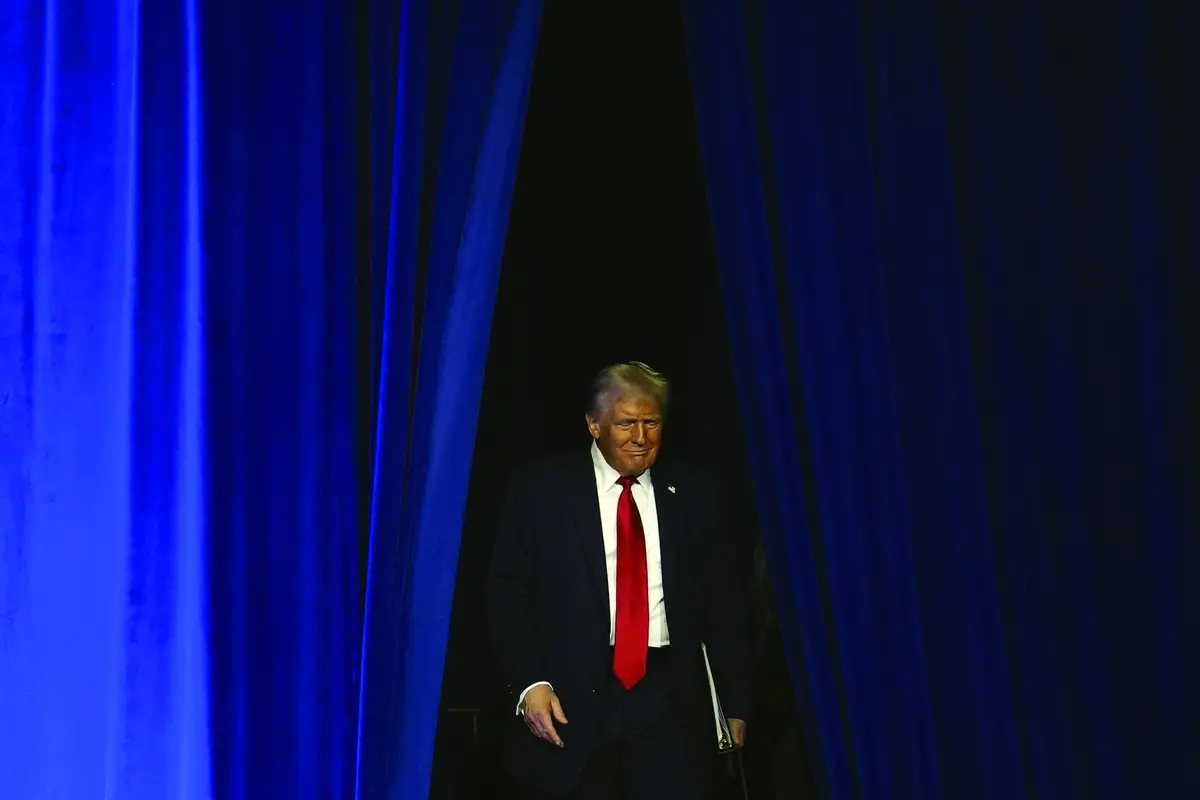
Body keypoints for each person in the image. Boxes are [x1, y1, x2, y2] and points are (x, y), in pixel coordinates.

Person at [486, 361, 752, 798]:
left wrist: (736, 701)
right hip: (572, 697)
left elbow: (725, 604)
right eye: (626, 423)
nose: (641, 437)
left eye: (652, 422)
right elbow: (507, 595)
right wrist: (531, 683)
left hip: (668, 696)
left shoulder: (694, 494)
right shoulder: (542, 491)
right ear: (594, 424)